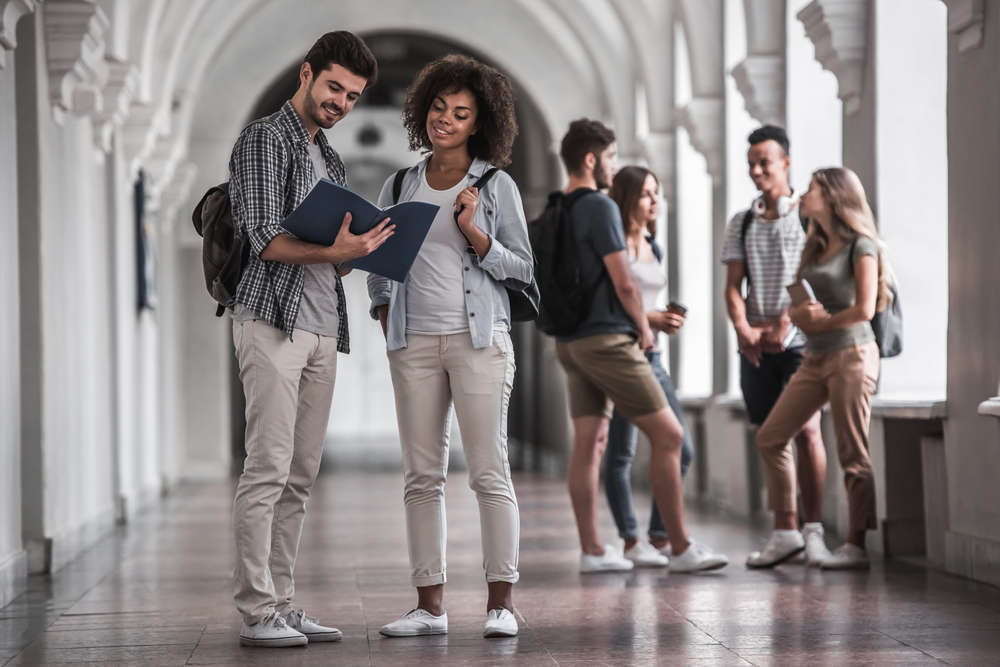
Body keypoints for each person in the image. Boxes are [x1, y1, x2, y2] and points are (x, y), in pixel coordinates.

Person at [228, 31, 392, 648]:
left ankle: (283, 601)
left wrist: (363, 251)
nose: (341, 104)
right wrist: (336, 250)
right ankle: (255, 609)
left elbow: (330, 254)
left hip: (324, 326)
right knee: (266, 469)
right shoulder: (264, 141)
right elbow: (266, 239)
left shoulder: (333, 158)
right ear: (306, 74)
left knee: (300, 474)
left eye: (352, 97)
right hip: (272, 321)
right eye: (334, 88)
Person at [367, 54, 535, 639]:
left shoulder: (494, 185)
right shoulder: (400, 182)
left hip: (479, 342)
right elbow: (380, 255)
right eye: (439, 107)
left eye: (460, 113)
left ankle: (501, 604)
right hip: (413, 342)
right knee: (421, 475)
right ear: (423, 109)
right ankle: (429, 607)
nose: (445, 120)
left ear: (478, 123)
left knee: (489, 473)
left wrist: (476, 234)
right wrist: (382, 304)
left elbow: (523, 269)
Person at [553, 119, 728, 574]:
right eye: (609, 157)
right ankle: (680, 546)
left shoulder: (558, 208)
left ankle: (593, 550)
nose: (613, 166)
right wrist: (644, 328)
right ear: (591, 159)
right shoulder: (600, 206)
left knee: (589, 444)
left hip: (570, 341)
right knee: (670, 436)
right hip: (610, 339)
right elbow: (624, 282)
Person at [755, 167, 890, 570]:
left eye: (812, 188)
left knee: (852, 453)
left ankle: (855, 544)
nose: (805, 194)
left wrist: (820, 321)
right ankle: (790, 532)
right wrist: (799, 314)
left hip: (852, 354)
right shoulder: (813, 248)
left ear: (832, 197)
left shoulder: (861, 244)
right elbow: (797, 303)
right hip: (814, 358)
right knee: (771, 437)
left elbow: (865, 309)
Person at [721, 125, 831, 568]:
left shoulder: (808, 216)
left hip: (803, 342)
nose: (756, 169)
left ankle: (814, 530)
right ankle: (784, 531)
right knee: (770, 436)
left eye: (765, 161)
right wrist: (743, 330)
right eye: (751, 162)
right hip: (756, 347)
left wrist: (787, 320)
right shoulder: (742, 221)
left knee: (806, 432)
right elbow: (732, 286)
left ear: (786, 162)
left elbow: (817, 277)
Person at [603, 166, 694, 567]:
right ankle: (630, 539)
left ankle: (658, 536)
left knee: (683, 449)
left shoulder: (653, 247)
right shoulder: (615, 246)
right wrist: (651, 320)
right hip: (625, 355)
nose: (655, 201)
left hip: (654, 357)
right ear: (627, 200)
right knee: (621, 453)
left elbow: (645, 298)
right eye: (646, 194)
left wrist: (662, 319)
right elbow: (609, 303)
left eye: (657, 193)